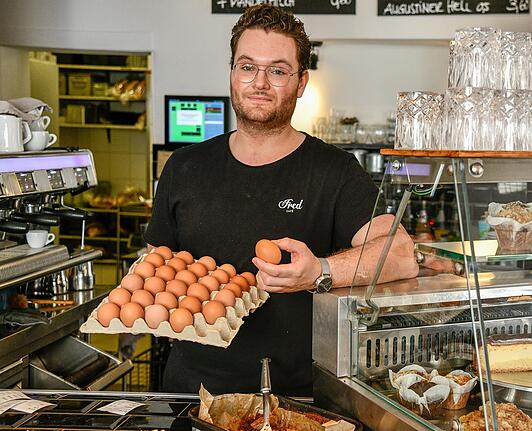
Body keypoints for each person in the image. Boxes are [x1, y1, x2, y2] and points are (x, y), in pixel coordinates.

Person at [144, 5, 418, 396]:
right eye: (247, 67)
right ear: (232, 74)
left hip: (296, 399)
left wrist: (320, 270)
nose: (260, 82)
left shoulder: (333, 170)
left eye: (277, 70)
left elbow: (401, 254)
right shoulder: (185, 166)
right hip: (192, 394)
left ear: (301, 81)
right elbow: (157, 266)